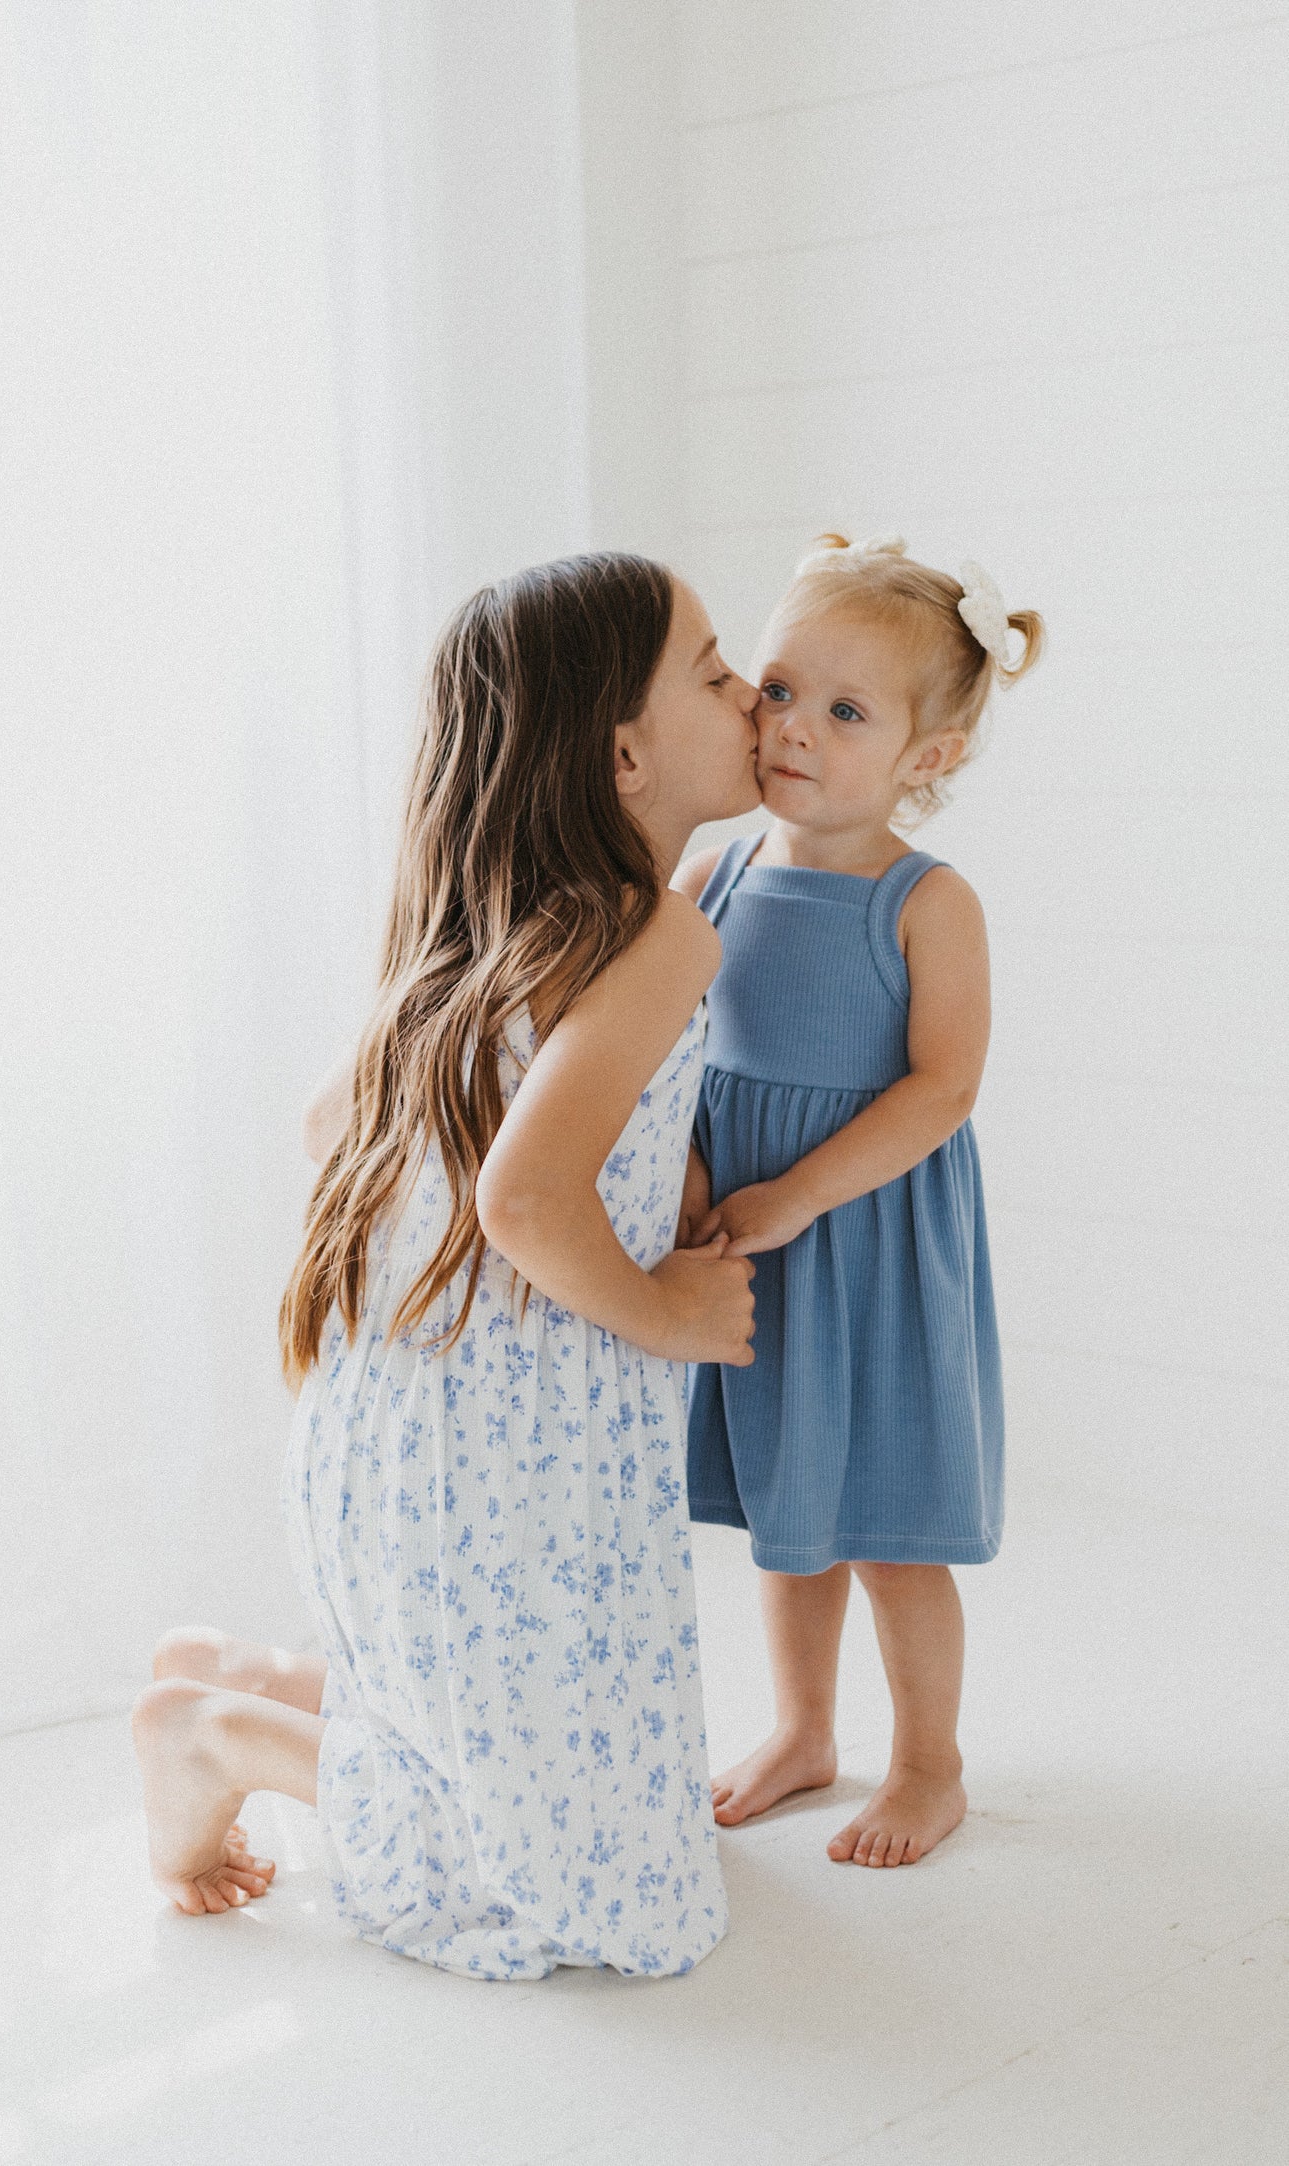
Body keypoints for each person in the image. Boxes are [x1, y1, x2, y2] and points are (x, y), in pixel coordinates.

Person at [132, 552, 761, 1977]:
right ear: (623, 754)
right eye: (716, 671)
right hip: (508, 1465)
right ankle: (214, 1732)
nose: (752, 693)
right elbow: (525, 1195)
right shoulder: (659, 928)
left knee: (556, 1779)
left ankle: (248, 1675)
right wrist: (664, 1305)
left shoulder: (487, 938)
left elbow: (333, 1127)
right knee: (606, 1906)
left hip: (403, 1440)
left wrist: (651, 1179)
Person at [675, 535, 1043, 1866]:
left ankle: (930, 1763)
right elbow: (669, 1053)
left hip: (868, 1243)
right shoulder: (712, 877)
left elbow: (944, 1087)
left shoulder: (923, 901)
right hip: (751, 1238)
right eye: (779, 689)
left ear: (926, 754)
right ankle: (801, 1729)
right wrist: (706, 1188)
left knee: (885, 1527)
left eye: (846, 711)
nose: (792, 728)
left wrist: (797, 1193)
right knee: (791, 1518)